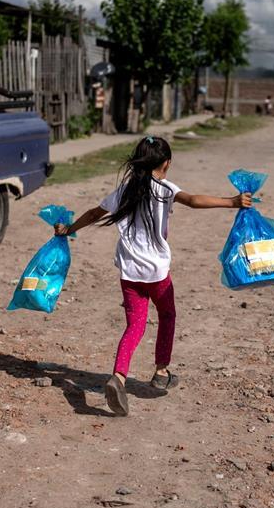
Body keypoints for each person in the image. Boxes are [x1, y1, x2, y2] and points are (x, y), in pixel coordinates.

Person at [54, 135, 252, 417]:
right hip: (157, 273)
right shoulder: (165, 189)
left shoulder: (125, 190)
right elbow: (194, 200)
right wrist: (231, 202)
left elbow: (93, 213)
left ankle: (118, 377)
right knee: (167, 316)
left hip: (129, 272)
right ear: (167, 163)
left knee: (134, 326)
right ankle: (161, 370)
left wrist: (69, 229)